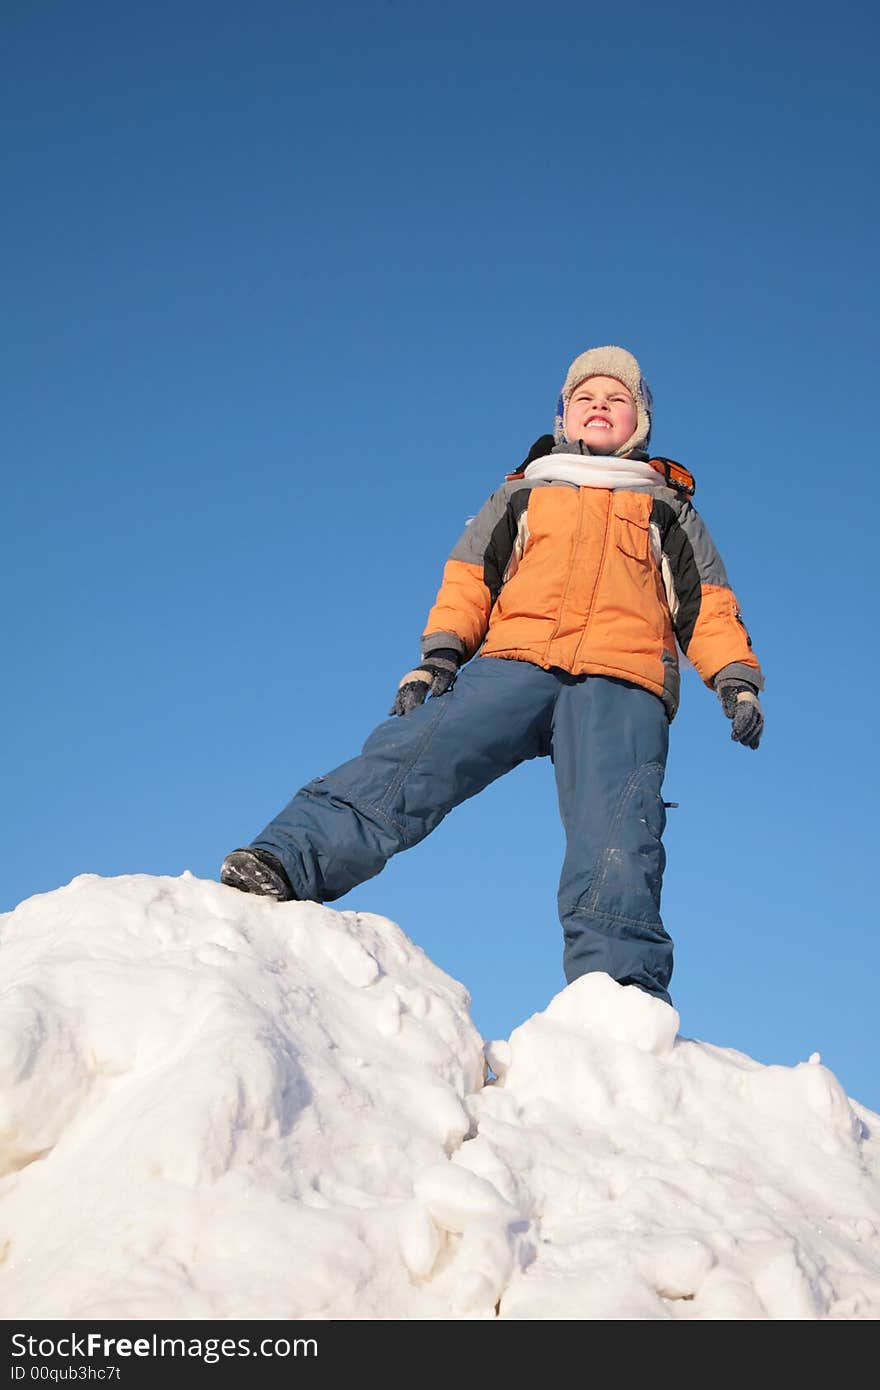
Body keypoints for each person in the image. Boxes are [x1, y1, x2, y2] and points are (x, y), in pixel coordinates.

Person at [220, 345, 763, 1005]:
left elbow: (707, 605)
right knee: (413, 755)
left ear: (638, 422)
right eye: (586, 397)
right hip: (515, 662)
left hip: (623, 685)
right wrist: (438, 656)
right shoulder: (523, 492)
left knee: (620, 833)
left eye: (616, 400)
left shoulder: (665, 508)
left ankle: (620, 993)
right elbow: (470, 578)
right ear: (563, 415)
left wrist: (735, 680)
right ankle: (287, 859)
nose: (600, 406)